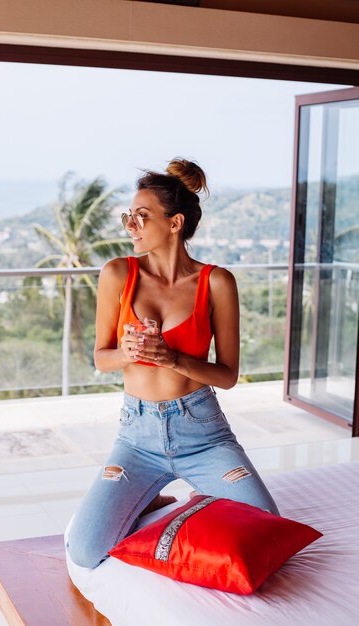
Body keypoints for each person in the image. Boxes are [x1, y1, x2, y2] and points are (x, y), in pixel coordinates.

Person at [67, 158, 279, 569]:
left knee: (266, 531)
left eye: (142, 217)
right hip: (137, 438)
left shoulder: (217, 282)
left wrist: (174, 358)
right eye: (129, 216)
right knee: (85, 550)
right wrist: (127, 353)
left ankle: (198, 494)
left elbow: (228, 375)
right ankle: (153, 496)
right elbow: (101, 358)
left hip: (203, 434)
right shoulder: (117, 274)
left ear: (175, 222)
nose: (131, 225)